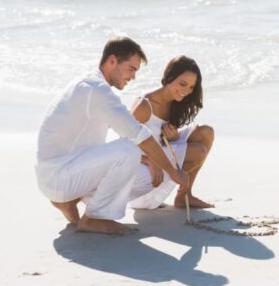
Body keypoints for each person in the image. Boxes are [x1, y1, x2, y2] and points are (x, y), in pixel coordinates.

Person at [35, 37, 189, 235]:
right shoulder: (97, 90)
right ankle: (94, 218)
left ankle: (66, 201)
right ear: (112, 61)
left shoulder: (87, 84)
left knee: (126, 148)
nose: (133, 77)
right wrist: (174, 172)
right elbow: (140, 136)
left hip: (52, 175)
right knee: (130, 150)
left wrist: (152, 159)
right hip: (60, 177)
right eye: (131, 69)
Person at [128, 55, 215, 210]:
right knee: (198, 152)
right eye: (182, 84)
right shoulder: (144, 106)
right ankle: (180, 186)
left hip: (161, 155)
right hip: (145, 172)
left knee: (206, 133)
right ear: (169, 77)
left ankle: (184, 196)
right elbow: (123, 147)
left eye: (190, 87)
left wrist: (174, 137)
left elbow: (162, 142)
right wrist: (149, 161)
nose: (185, 91)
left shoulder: (174, 103)